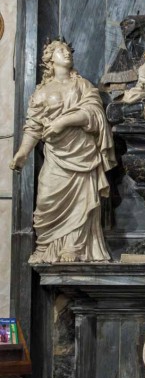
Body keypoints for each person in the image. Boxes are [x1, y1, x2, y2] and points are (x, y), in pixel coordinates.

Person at [9, 41, 116, 263]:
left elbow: (94, 114)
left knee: (81, 202)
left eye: (68, 51)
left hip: (82, 153)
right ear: (49, 59)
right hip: (56, 156)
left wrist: (64, 121)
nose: (66, 53)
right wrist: (22, 153)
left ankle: (73, 246)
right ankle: (45, 246)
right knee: (46, 200)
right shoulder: (42, 91)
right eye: (60, 51)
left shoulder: (83, 85)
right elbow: (34, 126)